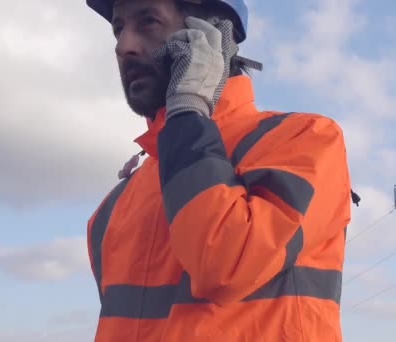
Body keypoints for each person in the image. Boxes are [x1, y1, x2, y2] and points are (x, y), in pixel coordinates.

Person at [85, 0, 353, 341]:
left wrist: (188, 109)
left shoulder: (304, 141)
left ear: (212, 32)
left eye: (148, 21)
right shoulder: (112, 208)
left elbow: (226, 265)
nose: (124, 47)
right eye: (118, 28)